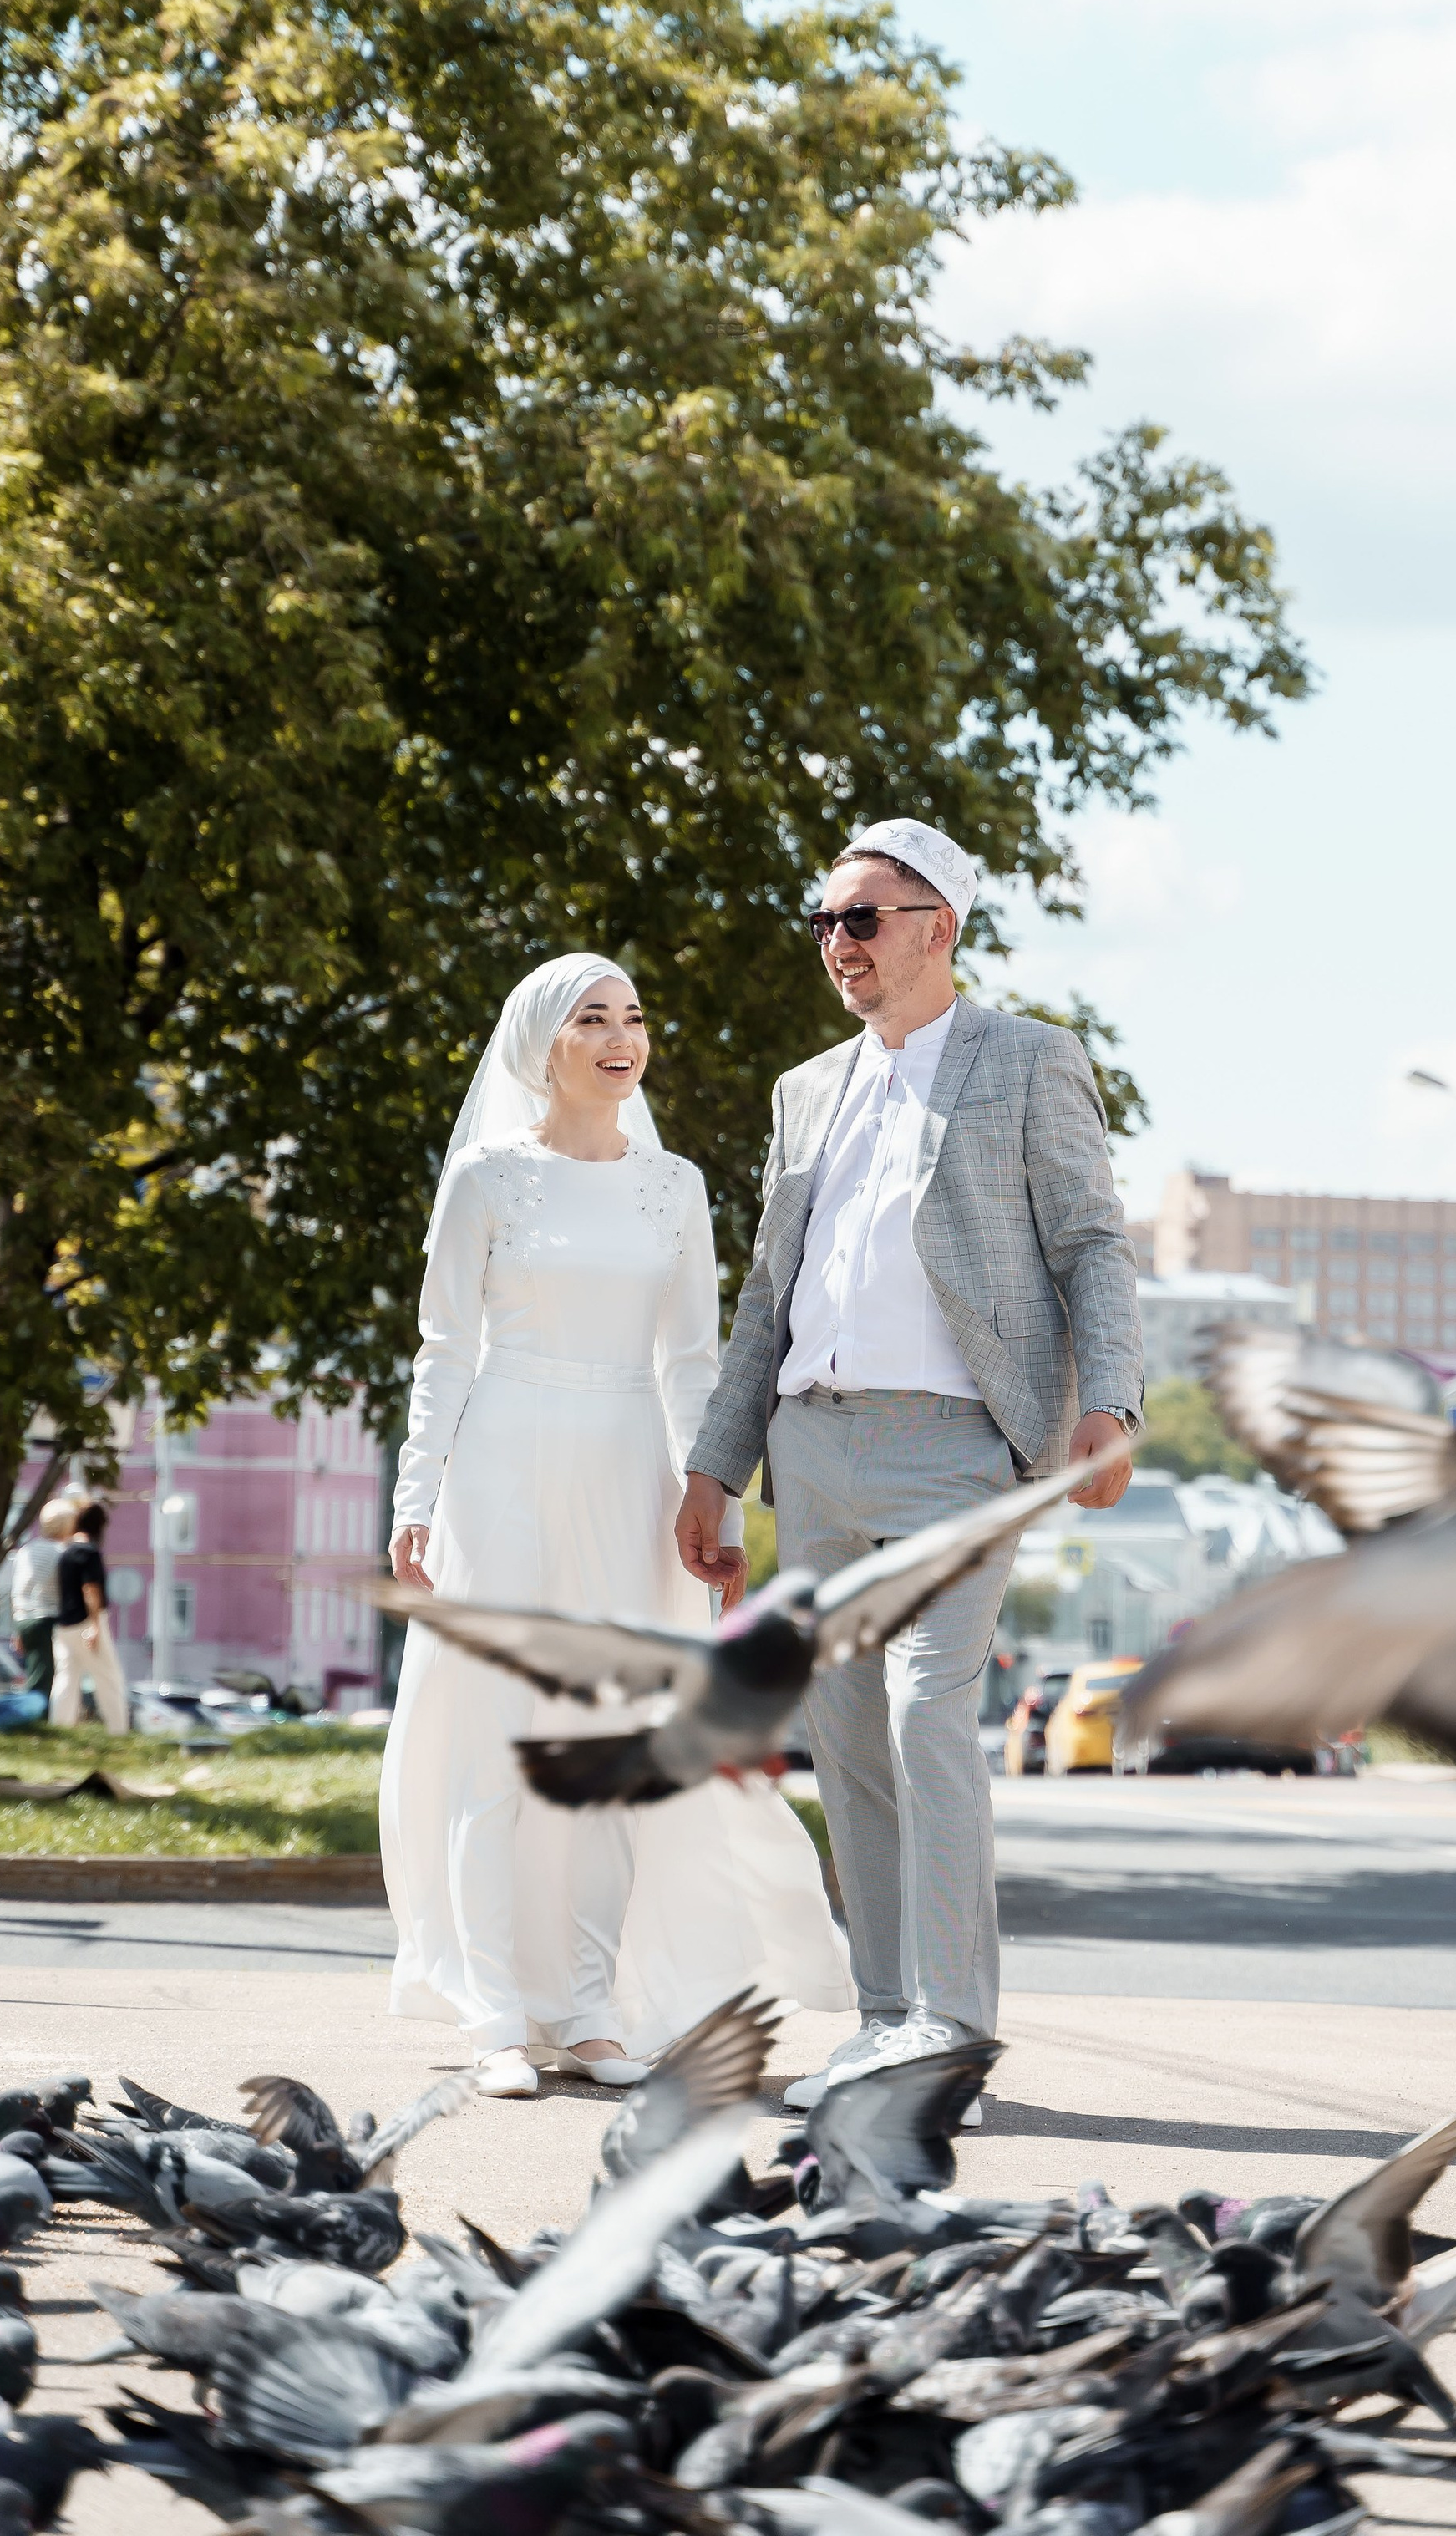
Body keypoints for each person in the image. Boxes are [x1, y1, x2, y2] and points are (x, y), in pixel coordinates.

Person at [679, 816, 1143, 2112]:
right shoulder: (805, 1089)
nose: (838, 943)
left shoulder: (1030, 1062)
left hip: (956, 1448)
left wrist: (1111, 1401)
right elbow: (770, 1293)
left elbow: (1095, 1248)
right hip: (812, 1448)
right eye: (823, 921)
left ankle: (950, 2030)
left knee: (926, 1721)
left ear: (939, 928)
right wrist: (715, 1466)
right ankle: (884, 2019)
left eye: (862, 920)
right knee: (845, 1741)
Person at [379, 952, 850, 2100]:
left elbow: (693, 1358)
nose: (619, 1038)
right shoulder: (486, 1179)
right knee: (501, 1736)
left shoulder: (673, 1183)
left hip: (634, 1471)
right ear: (543, 1041)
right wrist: (416, 1498)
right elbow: (445, 1352)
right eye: (592, 1018)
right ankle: (500, 2011)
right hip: (502, 1466)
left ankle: (590, 2008)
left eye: (633, 1018)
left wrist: (715, 1497)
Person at [49, 1499, 129, 1735]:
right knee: (109, 1679)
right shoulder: (89, 1552)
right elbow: (90, 1589)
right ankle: (118, 1731)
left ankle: (59, 1727)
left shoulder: (66, 1553)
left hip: (64, 1627)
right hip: (87, 1622)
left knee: (66, 1679)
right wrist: (95, 1625)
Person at [9, 1497, 75, 1707]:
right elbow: (67, 1592)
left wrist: (17, 1629)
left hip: (24, 1619)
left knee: (37, 1670)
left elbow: (17, 1591)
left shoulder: (26, 1551)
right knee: (46, 1677)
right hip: (48, 1618)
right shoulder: (63, 1553)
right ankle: (35, 1720)